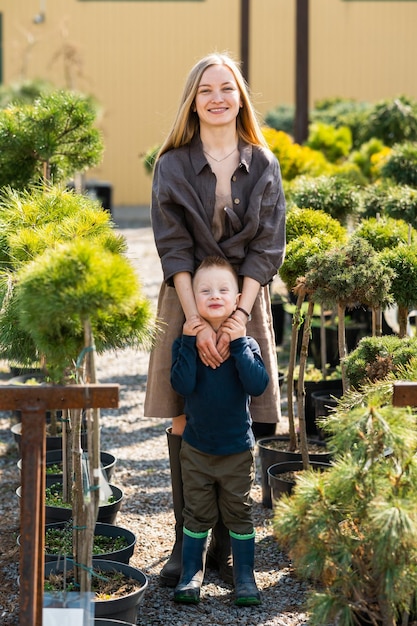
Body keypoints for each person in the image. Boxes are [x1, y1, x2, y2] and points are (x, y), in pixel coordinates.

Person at [144, 51, 286, 588]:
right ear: (193, 100)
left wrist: (236, 320)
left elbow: (267, 248)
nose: (218, 97)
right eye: (206, 89)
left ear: (240, 98)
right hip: (184, 301)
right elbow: (173, 246)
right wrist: (195, 322)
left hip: (243, 302)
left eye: (227, 88)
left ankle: (227, 547)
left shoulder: (264, 164)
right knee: (185, 411)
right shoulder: (173, 164)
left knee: (246, 410)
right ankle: (188, 546)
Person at [171, 256, 268, 605]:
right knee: (196, 513)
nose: (215, 295)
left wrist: (240, 344)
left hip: (236, 451)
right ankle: (191, 574)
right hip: (196, 450)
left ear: (239, 297)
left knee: (239, 512)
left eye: (224, 289)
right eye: (205, 290)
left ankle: (244, 577)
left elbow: (258, 386)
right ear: (192, 298)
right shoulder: (186, 345)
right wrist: (187, 340)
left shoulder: (248, 344)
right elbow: (181, 385)